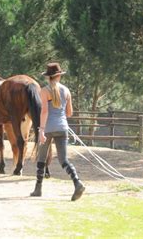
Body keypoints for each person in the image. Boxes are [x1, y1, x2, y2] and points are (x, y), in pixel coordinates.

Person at [30, 62, 85, 201]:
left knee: (41, 158)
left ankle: (38, 189)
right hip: (62, 127)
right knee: (63, 160)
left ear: (48, 77)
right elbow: (69, 113)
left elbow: (44, 112)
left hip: (48, 128)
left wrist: (41, 130)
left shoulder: (45, 91)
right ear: (59, 75)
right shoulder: (66, 91)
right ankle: (77, 182)